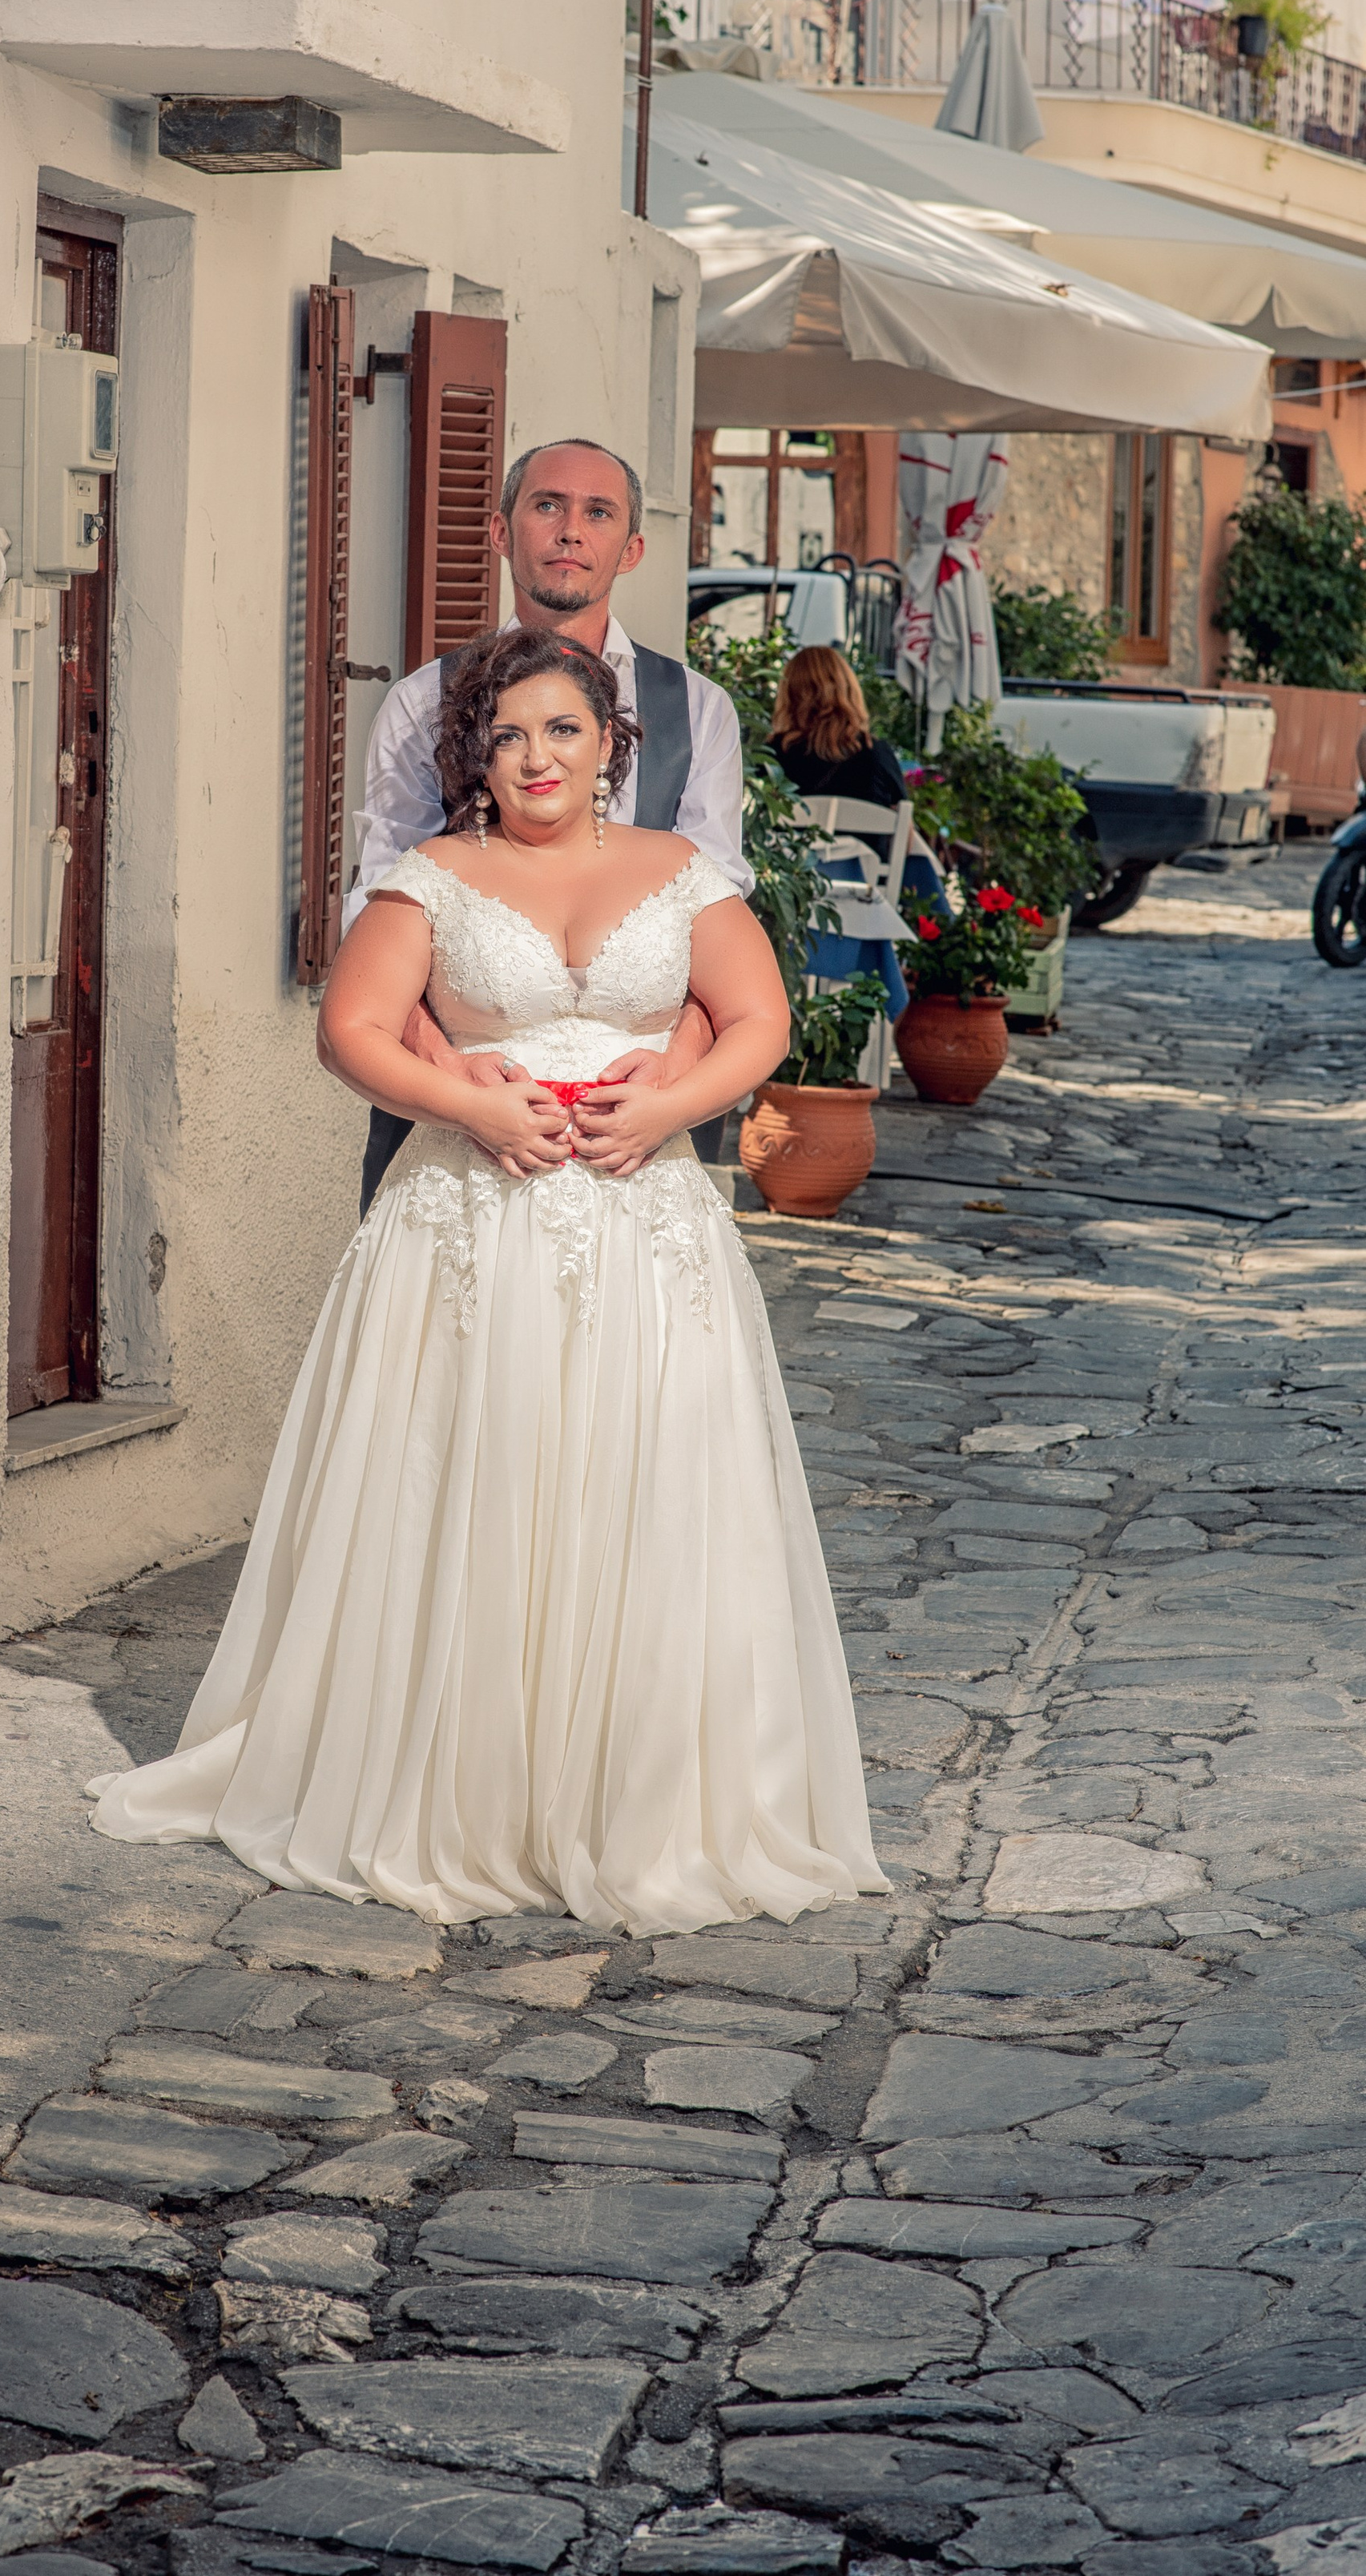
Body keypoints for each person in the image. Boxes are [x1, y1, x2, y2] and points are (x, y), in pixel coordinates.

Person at [89, 626, 884, 1935]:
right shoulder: (431, 878)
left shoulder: (682, 874)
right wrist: (469, 1108)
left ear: (609, 745)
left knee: (638, 1486)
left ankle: (635, 1794)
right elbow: (352, 1030)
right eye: (507, 735)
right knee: (477, 1482)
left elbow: (761, 1022)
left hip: (645, 1225)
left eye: (562, 730)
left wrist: (664, 1108)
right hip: (471, 1220)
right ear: (475, 754)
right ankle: (456, 1789)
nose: (535, 757)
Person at [348, 438, 749, 1218]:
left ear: (630, 547)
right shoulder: (420, 704)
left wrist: (675, 1076)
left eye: (597, 511)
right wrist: (448, 1078)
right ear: (501, 532)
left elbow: (719, 929)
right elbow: (379, 906)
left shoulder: (699, 713)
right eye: (547, 505)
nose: (571, 529)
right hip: (456, 1120)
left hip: (637, 1128)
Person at [771, 645, 908, 811]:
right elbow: (903, 826)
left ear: (789, 693)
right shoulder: (876, 752)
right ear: (848, 689)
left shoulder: (772, 756)